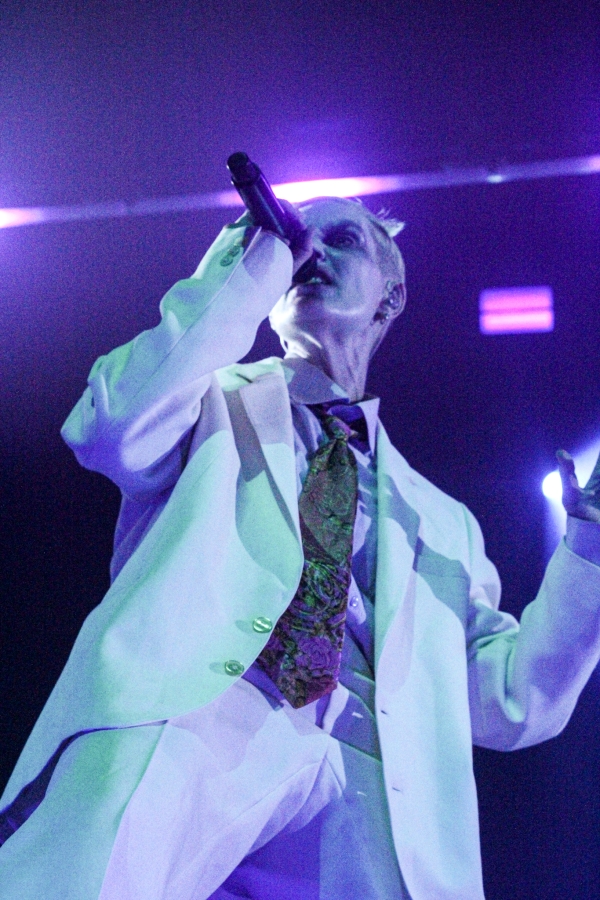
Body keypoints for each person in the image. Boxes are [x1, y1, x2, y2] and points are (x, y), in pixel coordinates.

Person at [1, 197, 600, 900]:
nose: (311, 254)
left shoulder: (444, 521)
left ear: (391, 296)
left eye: (340, 240)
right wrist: (251, 258)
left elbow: (514, 699)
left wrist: (589, 548)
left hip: (381, 782)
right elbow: (109, 427)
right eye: (297, 242)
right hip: (208, 709)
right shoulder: (204, 399)